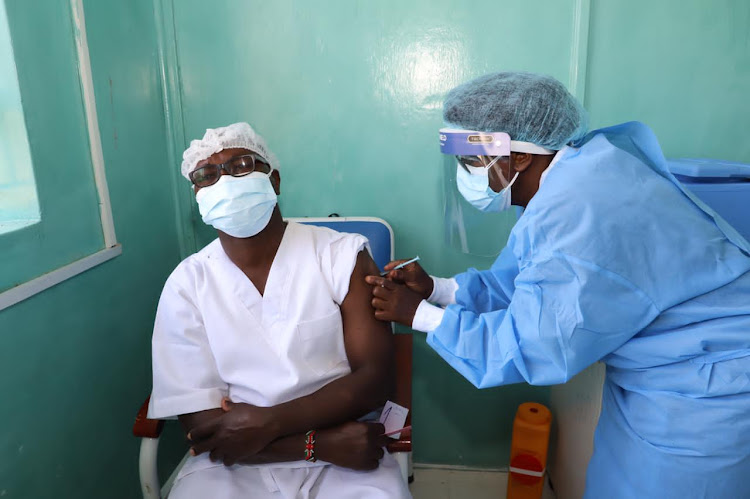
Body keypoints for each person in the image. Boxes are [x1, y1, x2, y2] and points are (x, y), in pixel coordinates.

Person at [366, 72, 750, 498]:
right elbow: (523, 285)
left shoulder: (578, 213)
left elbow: (527, 344)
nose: (467, 175)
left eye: (472, 161)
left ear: (521, 157)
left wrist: (417, 315)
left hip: (708, 388)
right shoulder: (576, 176)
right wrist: (436, 289)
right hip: (661, 372)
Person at [148, 122, 410, 498]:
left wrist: (268, 421)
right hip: (237, 464)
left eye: (240, 165)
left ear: (274, 180)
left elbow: (374, 381)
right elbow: (203, 428)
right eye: (207, 174)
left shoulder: (341, 256)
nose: (225, 180)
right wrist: (315, 445)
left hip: (346, 454)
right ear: (197, 195)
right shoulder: (187, 284)